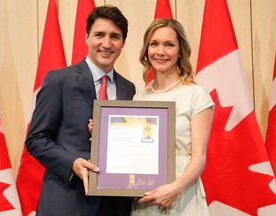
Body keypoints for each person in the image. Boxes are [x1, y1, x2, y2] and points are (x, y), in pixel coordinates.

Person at [25, 5, 136, 216]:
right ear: (86, 37)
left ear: (123, 42)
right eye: (99, 35)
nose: (106, 44)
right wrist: (72, 163)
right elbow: (36, 139)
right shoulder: (59, 80)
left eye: (115, 36)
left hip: (114, 206)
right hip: (67, 202)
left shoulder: (128, 88)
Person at [132, 18, 214, 215]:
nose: (160, 52)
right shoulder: (138, 98)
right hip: (145, 196)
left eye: (169, 44)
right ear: (146, 50)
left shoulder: (196, 95)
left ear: (180, 51)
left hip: (182, 194)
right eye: (154, 44)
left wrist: (175, 189)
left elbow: (199, 158)